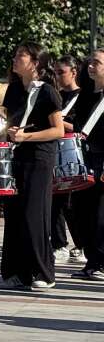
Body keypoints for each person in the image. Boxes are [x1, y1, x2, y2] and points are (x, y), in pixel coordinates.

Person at [0, 42, 64, 291]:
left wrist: (27, 137)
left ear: (35, 63)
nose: (15, 60)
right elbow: (10, 125)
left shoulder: (47, 92)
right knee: (13, 214)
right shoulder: (13, 90)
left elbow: (57, 130)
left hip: (40, 158)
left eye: (20, 56)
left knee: (34, 215)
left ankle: (44, 272)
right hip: (17, 156)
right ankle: (16, 272)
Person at [70, 48, 104, 281]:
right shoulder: (86, 95)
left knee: (101, 215)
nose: (91, 66)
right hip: (85, 158)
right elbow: (78, 125)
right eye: (90, 62)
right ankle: (92, 260)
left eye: (98, 62)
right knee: (83, 211)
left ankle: (99, 262)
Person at [51, 54, 85, 266]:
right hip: (55, 153)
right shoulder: (56, 96)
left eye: (61, 72)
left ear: (73, 72)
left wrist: (60, 124)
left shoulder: (82, 97)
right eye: (55, 72)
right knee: (55, 202)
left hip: (74, 154)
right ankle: (59, 245)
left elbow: (83, 127)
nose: (58, 76)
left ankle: (81, 245)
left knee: (73, 205)